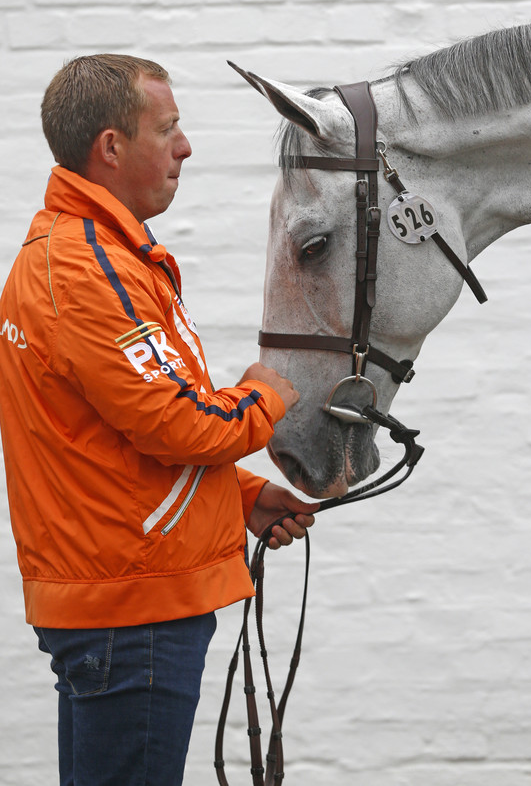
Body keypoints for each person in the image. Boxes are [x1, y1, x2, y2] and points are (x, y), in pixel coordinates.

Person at [0, 54, 318, 786]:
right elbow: (183, 423)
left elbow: (113, 436)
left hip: (119, 605)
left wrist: (239, 496)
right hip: (132, 613)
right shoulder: (85, 268)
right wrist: (266, 391)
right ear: (111, 147)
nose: (185, 146)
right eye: (167, 128)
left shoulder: (95, 253)